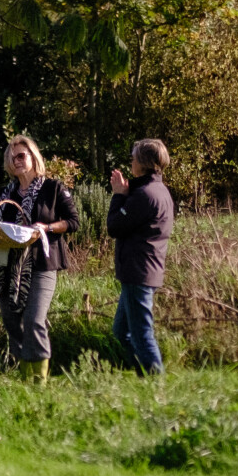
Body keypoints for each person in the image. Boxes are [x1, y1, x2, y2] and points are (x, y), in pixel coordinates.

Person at [0, 133, 78, 378]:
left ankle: (40, 383)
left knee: (35, 320)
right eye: (12, 157)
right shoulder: (7, 193)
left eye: (21, 155)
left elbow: (73, 222)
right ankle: (26, 378)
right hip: (8, 266)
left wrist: (46, 228)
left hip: (42, 264)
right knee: (12, 321)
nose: (16, 160)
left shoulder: (52, 188)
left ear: (33, 157)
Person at [106, 138, 174, 374]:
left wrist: (118, 195)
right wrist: (126, 192)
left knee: (142, 335)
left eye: (133, 158)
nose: (131, 162)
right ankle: (145, 376)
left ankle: (157, 385)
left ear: (143, 162)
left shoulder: (146, 195)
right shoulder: (156, 190)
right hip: (142, 271)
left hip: (139, 273)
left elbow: (114, 227)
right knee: (121, 331)